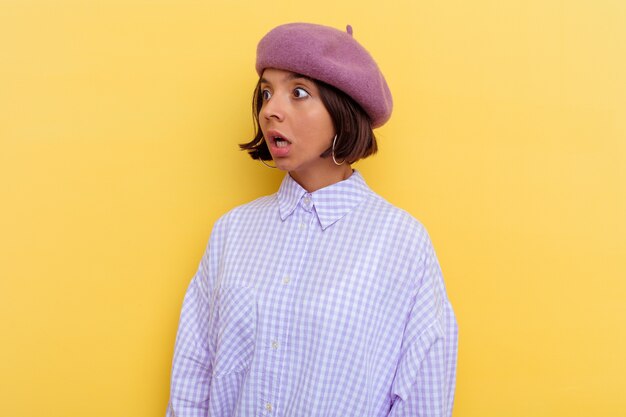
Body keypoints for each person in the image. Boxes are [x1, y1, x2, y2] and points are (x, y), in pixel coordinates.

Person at [166, 22, 458, 417]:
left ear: (344, 110)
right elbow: (193, 373)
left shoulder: (400, 242)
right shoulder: (233, 232)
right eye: (266, 92)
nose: (270, 109)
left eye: (298, 92)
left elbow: (423, 396)